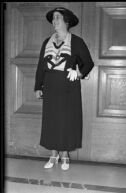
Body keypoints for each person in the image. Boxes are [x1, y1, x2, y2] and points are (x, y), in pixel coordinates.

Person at [34, 7, 94, 170]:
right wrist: (38, 86)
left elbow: (88, 63)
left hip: (69, 87)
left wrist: (79, 73)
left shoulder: (76, 41)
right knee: (52, 121)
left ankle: (65, 155)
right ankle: (53, 155)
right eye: (53, 18)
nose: (54, 21)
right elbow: (41, 66)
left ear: (66, 21)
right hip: (51, 87)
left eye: (57, 18)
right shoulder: (46, 42)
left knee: (67, 120)